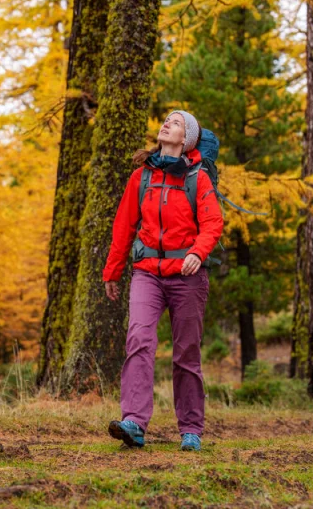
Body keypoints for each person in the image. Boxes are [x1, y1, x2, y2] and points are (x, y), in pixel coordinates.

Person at [103, 110, 224, 452]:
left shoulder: (197, 179)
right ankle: (134, 423)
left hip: (188, 276)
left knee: (186, 352)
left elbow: (213, 223)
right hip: (147, 274)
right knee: (139, 339)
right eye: (166, 120)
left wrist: (197, 253)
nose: (167, 123)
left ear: (186, 139)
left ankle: (190, 429)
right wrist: (112, 272)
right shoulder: (141, 177)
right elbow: (123, 227)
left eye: (176, 122)